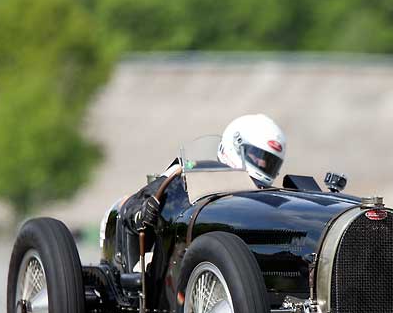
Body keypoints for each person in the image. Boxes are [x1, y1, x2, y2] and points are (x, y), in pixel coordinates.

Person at [116, 114, 287, 274]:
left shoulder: (266, 199)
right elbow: (133, 206)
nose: (262, 164)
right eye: (257, 156)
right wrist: (143, 213)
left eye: (269, 162)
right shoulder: (186, 172)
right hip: (172, 266)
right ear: (235, 144)